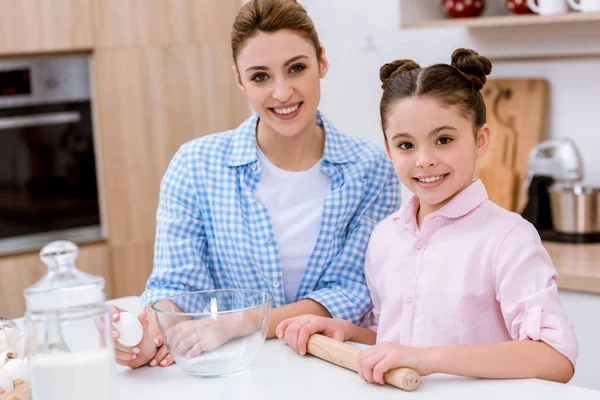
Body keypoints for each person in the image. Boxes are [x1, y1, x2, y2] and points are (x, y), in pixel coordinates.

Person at [109, 0, 400, 369]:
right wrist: (151, 336)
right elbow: (176, 286)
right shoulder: (195, 165)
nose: (282, 92)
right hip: (231, 373)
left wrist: (238, 324)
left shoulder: (371, 169)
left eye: (296, 68)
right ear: (239, 80)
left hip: (337, 370)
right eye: (260, 76)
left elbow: (353, 291)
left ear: (322, 62)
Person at [276, 48, 578, 384]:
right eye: (406, 145)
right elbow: (394, 343)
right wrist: (347, 332)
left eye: (443, 139)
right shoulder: (385, 237)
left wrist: (427, 359)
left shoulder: (509, 238)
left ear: (481, 140)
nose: (424, 159)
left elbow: (555, 358)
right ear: (389, 149)